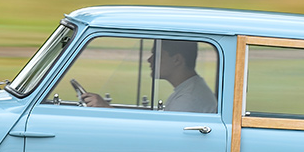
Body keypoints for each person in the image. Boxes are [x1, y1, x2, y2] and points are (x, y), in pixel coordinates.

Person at [82, 40, 217, 113]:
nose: (149, 60)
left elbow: (162, 136)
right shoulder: (189, 90)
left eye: (157, 55)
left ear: (177, 60)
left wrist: (107, 109)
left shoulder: (188, 99)